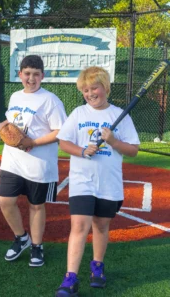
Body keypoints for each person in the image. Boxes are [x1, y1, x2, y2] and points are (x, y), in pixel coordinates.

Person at [55, 66, 140, 296]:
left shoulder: (119, 115)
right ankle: (70, 278)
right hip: (83, 181)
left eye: (94, 88)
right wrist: (82, 151)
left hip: (109, 183)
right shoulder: (79, 114)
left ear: (106, 88)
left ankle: (97, 267)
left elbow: (133, 150)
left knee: (101, 226)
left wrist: (113, 141)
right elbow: (63, 142)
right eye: (85, 89)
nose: (90, 93)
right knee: (79, 226)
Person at [0, 55, 67, 267]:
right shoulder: (15, 96)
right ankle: (21, 237)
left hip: (39, 164)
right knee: (5, 200)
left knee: (36, 206)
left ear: (42, 76)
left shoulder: (50, 100)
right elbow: (12, 120)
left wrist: (34, 142)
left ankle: (37, 246)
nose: (31, 78)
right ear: (20, 74)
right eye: (27, 74)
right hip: (12, 160)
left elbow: (60, 131)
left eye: (36, 74)